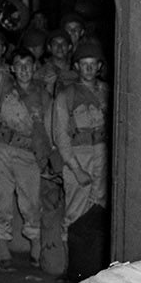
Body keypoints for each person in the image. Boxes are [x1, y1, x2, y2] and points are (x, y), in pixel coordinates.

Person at [0, 14, 50, 273]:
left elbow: (49, 127)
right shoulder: (3, 84)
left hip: (27, 153)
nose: (23, 70)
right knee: (0, 199)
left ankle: (36, 247)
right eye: (18, 65)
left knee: (30, 202)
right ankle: (3, 249)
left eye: (28, 65)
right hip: (0, 151)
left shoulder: (43, 94)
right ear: (12, 68)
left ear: (34, 67)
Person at [50, 36, 112, 243]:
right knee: (75, 211)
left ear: (99, 66)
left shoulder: (109, 92)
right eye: (84, 65)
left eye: (93, 65)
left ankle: (93, 264)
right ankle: (71, 266)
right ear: (76, 66)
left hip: (103, 154)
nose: (88, 69)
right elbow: (61, 135)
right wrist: (75, 168)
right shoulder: (66, 95)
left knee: (100, 209)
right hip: (79, 156)